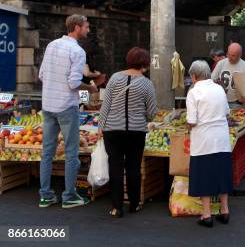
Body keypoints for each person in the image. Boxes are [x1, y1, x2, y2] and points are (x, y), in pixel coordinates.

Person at [38, 14, 98, 208]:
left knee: (47, 152)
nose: (88, 30)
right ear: (77, 27)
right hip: (65, 106)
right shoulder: (78, 51)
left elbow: (41, 75)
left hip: (48, 105)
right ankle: (69, 196)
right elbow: (73, 83)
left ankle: (45, 195)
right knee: (71, 153)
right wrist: (91, 88)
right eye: (87, 27)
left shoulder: (52, 45)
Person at [98, 47, 157, 217]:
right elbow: (152, 112)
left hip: (112, 130)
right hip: (136, 131)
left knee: (115, 167)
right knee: (133, 167)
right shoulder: (147, 83)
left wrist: (101, 125)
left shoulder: (115, 78)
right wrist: (142, 115)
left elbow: (106, 105)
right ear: (144, 63)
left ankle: (117, 207)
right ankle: (134, 204)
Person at [186, 61, 232, 227]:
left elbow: (191, 121)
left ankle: (206, 215)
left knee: (204, 176)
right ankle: (225, 210)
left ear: (193, 76)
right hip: (221, 139)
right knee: (222, 174)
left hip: (203, 141)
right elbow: (227, 112)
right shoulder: (219, 89)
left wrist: (187, 125)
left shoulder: (193, 92)